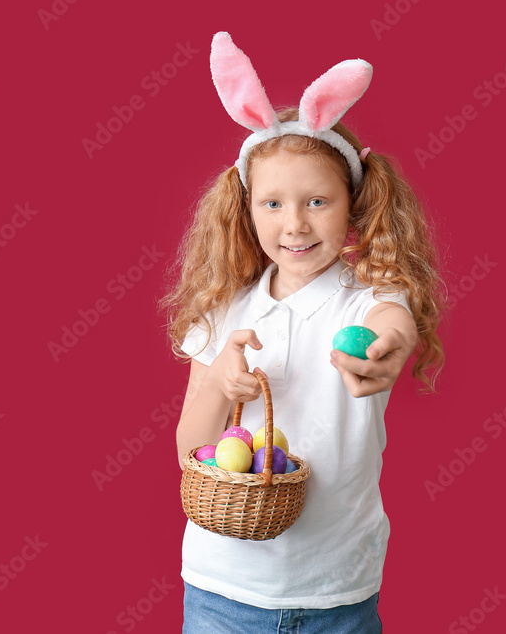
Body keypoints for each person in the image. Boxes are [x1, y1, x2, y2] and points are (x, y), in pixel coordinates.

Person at [159, 32, 445, 633]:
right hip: (222, 590)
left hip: (337, 590)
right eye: (272, 204)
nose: (294, 224)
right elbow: (192, 448)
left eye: (317, 200)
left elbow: (390, 323)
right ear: (246, 207)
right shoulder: (224, 309)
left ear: (353, 203)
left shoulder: (366, 300)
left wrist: (389, 349)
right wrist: (220, 382)